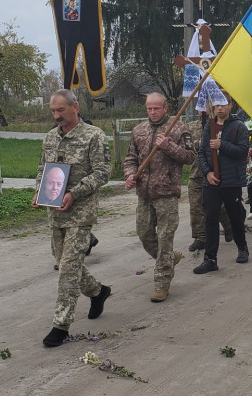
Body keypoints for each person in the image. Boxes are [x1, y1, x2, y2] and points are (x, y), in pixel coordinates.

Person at [34, 89, 112, 348]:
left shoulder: (93, 136)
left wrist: (75, 193)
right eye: (53, 111)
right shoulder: (49, 138)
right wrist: (39, 193)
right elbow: (42, 169)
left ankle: (61, 325)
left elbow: (103, 172)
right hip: (55, 213)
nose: (56, 116)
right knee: (64, 260)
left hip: (80, 213)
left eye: (61, 110)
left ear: (75, 107)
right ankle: (98, 292)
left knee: (67, 269)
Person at [124, 93, 196, 302]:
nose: (153, 112)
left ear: (165, 108)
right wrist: (130, 175)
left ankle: (162, 283)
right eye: (149, 108)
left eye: (157, 108)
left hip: (167, 194)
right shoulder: (139, 130)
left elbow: (190, 157)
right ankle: (169, 259)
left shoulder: (179, 129)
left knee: (165, 239)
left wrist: (168, 146)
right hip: (144, 195)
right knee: (145, 235)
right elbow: (130, 158)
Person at [193, 96, 250, 273]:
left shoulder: (238, 126)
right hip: (211, 182)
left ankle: (242, 247)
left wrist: (221, 145)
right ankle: (210, 259)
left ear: (230, 105)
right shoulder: (208, 126)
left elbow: (242, 152)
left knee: (234, 216)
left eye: (223, 104)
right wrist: (207, 173)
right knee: (210, 218)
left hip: (231, 180)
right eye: (216, 105)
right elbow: (202, 153)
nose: (219, 108)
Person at [187, 111, 231, 252]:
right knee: (195, 207)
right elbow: (186, 146)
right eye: (200, 107)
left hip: (215, 171)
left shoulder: (219, 124)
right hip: (196, 173)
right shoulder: (190, 126)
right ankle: (200, 237)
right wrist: (198, 143)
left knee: (219, 206)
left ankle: (229, 226)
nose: (203, 110)